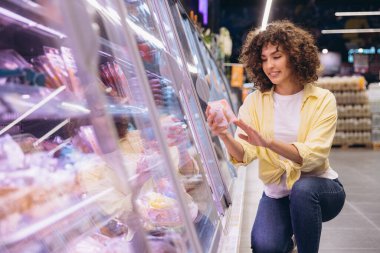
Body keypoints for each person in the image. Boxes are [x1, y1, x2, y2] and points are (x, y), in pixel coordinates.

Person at [206, 20, 346, 253]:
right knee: (264, 246)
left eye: (277, 56)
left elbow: (314, 156)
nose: (269, 65)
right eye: (263, 59)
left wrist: (268, 142)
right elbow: (244, 153)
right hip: (278, 193)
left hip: (321, 189)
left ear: (294, 56)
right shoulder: (255, 102)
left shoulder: (322, 99)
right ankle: (286, 238)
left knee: (302, 190)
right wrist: (224, 135)